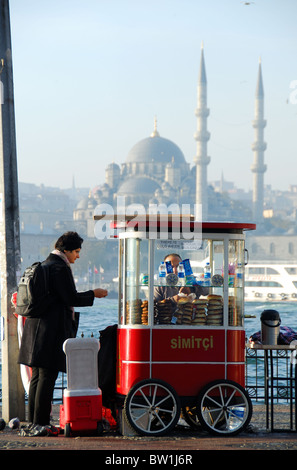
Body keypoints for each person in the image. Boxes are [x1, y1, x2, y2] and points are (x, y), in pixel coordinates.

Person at [18, 231, 108, 436]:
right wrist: (94, 294)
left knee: (38, 377)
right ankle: (41, 423)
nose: (78, 256)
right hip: (50, 330)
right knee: (47, 376)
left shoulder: (44, 265)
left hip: (36, 328)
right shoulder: (59, 268)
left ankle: (33, 421)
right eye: (76, 251)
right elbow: (70, 297)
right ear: (65, 250)